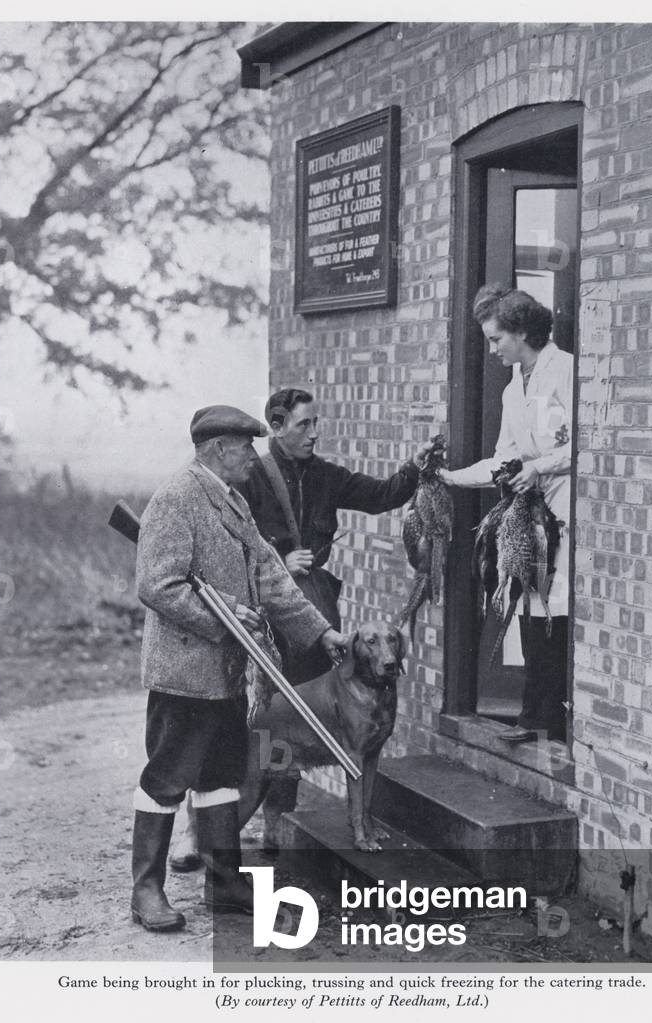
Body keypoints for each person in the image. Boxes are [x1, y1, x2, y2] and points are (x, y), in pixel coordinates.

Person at [130, 404, 345, 932]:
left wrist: (322, 633)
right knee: (168, 778)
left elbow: (271, 577)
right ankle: (147, 890)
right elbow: (157, 584)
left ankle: (225, 882)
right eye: (247, 446)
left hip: (226, 674)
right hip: (183, 673)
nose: (254, 455)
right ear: (220, 448)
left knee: (222, 776)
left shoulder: (233, 500)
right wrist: (227, 615)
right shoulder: (177, 498)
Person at [235, 387, 432, 839]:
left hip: (315, 616)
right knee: (257, 724)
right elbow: (225, 549)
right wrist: (277, 565)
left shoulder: (325, 475)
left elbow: (382, 495)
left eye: (316, 423)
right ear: (277, 427)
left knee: (297, 726)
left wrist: (415, 467)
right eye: (304, 424)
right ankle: (201, 827)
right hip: (264, 620)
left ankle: (277, 827)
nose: (314, 434)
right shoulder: (250, 477)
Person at [439, 285, 572, 744]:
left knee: (557, 611)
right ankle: (534, 718)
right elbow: (504, 458)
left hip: (568, 511)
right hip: (534, 519)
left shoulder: (567, 371)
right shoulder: (513, 389)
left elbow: (586, 443)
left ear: (522, 332)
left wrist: (540, 466)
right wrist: (451, 478)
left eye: (497, 339)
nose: (493, 349)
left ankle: (552, 722)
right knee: (531, 606)